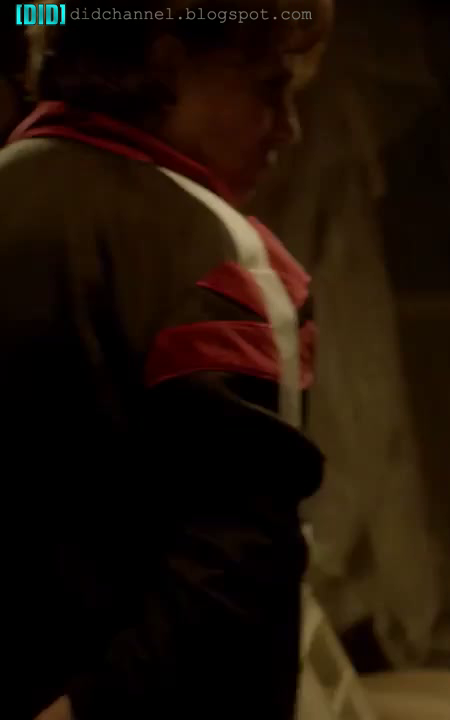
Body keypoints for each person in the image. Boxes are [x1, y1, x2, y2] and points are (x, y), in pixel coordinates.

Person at [0, 1, 332, 718]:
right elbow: (235, 580)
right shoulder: (220, 257)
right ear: (169, 63)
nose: (288, 129)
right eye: (270, 87)